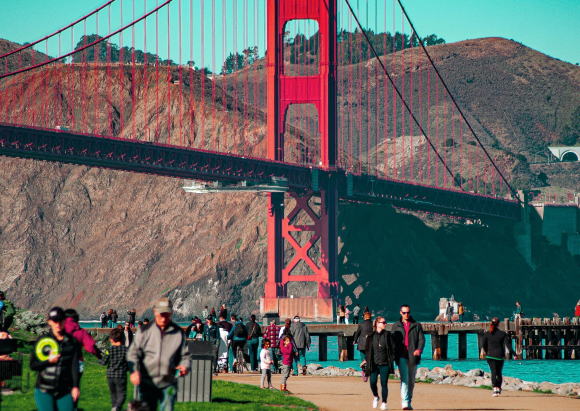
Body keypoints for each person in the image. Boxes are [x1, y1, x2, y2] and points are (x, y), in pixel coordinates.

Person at [127, 298, 189, 411]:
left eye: (167, 314)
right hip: (147, 381)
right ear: (155, 312)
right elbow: (133, 353)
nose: (164, 318)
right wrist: (134, 371)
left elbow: (185, 355)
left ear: (171, 313)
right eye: (161, 314)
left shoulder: (178, 332)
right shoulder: (145, 331)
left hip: (168, 381)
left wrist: (185, 365)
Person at [30, 307, 81, 411]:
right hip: (44, 389)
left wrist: (75, 386)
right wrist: (48, 361)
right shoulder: (42, 341)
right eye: (54, 320)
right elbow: (33, 365)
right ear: (49, 322)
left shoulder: (72, 342)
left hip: (65, 390)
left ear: (64, 321)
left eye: (60, 320)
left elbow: (74, 366)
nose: (57, 324)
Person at [392, 304, 425, 411]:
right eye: (404, 312)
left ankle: (409, 400)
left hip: (413, 356)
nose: (406, 314)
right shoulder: (396, 326)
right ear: (400, 313)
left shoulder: (416, 325)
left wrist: (419, 350)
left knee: (411, 380)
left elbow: (422, 340)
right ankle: (405, 402)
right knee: (404, 379)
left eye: (408, 312)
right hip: (401, 355)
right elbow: (392, 341)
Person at [361, 316, 395, 410]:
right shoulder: (371, 336)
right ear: (377, 324)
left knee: (384, 383)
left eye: (385, 322)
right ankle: (376, 396)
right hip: (374, 364)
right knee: (372, 382)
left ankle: (384, 402)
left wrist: (393, 359)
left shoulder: (388, 335)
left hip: (385, 364)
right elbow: (367, 351)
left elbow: (393, 348)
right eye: (383, 322)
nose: (385, 324)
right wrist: (365, 360)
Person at [482, 317, 517, 397]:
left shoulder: (487, 333)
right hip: (499, 356)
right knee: (499, 373)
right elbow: (508, 345)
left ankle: (495, 389)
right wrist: (514, 354)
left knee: (493, 372)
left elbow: (483, 345)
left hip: (490, 356)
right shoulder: (502, 334)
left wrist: (487, 351)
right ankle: (498, 388)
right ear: (498, 324)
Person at [101, 328, 128, 411]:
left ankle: (114, 407)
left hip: (110, 375)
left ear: (111, 339)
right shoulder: (126, 350)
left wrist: (100, 359)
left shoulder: (109, 350)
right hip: (121, 375)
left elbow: (104, 362)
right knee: (121, 393)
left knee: (113, 394)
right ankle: (117, 407)